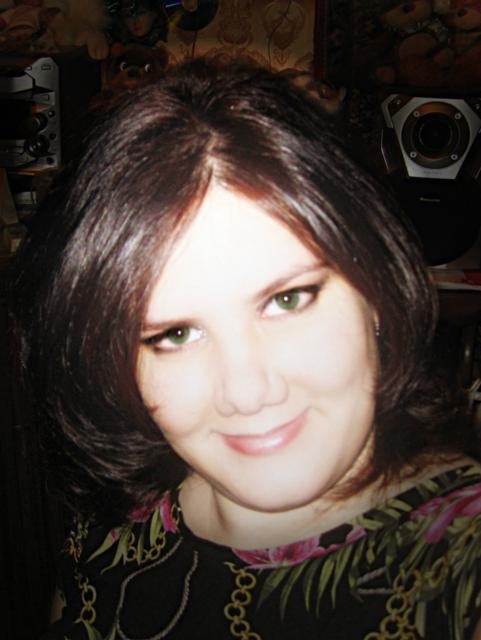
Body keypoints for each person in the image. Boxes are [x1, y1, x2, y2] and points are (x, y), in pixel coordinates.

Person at [8, 57, 481, 639]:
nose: (247, 391)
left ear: (378, 288)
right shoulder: (112, 524)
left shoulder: (462, 566)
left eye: (287, 300)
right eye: (175, 335)